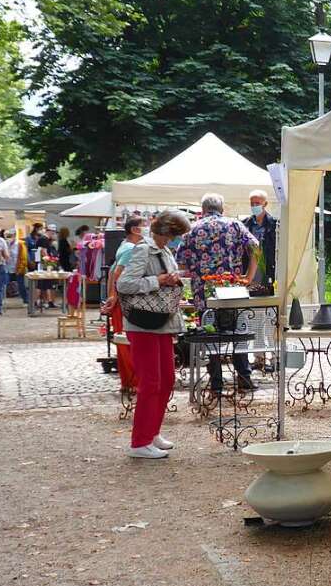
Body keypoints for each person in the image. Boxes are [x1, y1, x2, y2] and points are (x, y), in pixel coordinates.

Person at [116, 210, 190, 459]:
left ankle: (152, 432)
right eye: (179, 235)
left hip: (162, 322)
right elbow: (124, 284)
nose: (180, 240)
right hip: (144, 323)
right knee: (151, 382)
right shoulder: (143, 250)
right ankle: (139, 442)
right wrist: (158, 281)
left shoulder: (164, 250)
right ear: (169, 233)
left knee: (167, 379)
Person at [177, 193, 258, 390]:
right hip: (233, 290)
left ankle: (216, 383)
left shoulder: (191, 229)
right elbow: (255, 247)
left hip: (204, 292)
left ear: (202, 209)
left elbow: (180, 263)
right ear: (222, 208)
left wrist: (199, 269)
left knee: (209, 335)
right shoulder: (235, 225)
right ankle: (244, 378)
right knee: (239, 332)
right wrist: (249, 276)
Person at [103, 216, 149, 393]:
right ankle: (134, 381)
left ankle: (128, 381)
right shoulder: (132, 248)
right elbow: (117, 273)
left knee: (123, 341)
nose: (147, 228)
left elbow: (112, 272)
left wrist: (111, 296)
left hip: (119, 299)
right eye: (144, 225)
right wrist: (114, 296)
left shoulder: (125, 246)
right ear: (135, 230)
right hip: (124, 300)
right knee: (129, 341)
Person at [243, 189, 277, 292]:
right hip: (248, 265)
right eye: (252, 204)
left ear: (265, 204)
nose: (254, 206)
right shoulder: (245, 224)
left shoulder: (274, 224)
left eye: (257, 203)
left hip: (267, 266)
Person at [36, 224, 58, 308]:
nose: (54, 234)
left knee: (45, 284)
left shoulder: (44, 239)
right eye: (54, 233)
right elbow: (43, 252)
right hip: (43, 264)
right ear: (51, 232)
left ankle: (48, 301)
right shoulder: (44, 239)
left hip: (43, 263)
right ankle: (38, 301)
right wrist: (50, 262)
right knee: (41, 283)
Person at [4, 229, 28, 306]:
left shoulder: (20, 244)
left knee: (21, 285)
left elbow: (23, 257)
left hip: (18, 267)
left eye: (10, 236)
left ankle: (26, 300)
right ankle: (2, 301)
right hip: (7, 268)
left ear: (14, 235)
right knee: (4, 284)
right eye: (7, 236)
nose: (8, 238)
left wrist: (20, 268)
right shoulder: (5, 243)